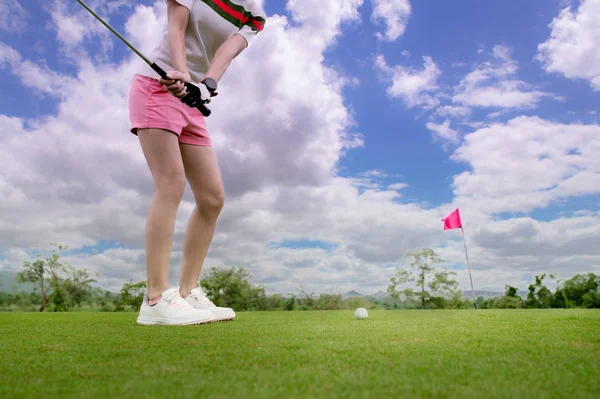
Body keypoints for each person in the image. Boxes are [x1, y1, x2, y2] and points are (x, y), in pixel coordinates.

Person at [128, 0, 266, 325]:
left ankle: (188, 293)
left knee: (212, 197)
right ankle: (156, 299)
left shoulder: (255, 15)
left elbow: (225, 54)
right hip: (158, 87)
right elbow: (176, 27)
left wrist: (205, 87)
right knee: (171, 183)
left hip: (190, 99)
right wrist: (182, 74)